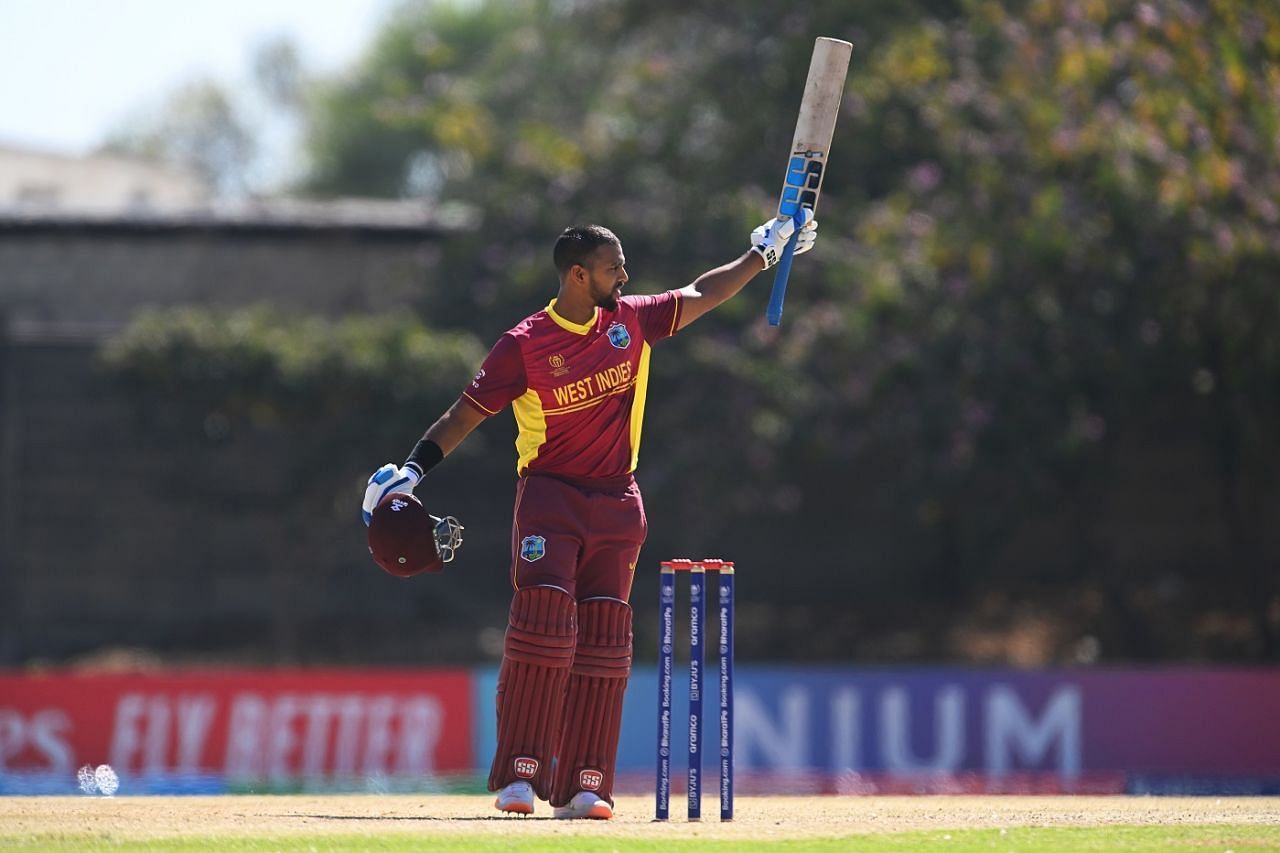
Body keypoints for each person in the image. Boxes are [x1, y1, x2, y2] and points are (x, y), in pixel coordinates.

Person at [362, 210, 817, 819]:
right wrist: (414, 471)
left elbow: (703, 292)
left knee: (605, 641)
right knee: (542, 628)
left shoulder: (632, 321)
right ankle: (520, 775)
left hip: (618, 501)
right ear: (578, 275)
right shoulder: (524, 345)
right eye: (612, 268)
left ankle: (586, 784)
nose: (625, 276)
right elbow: (464, 415)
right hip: (551, 498)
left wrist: (760, 255)